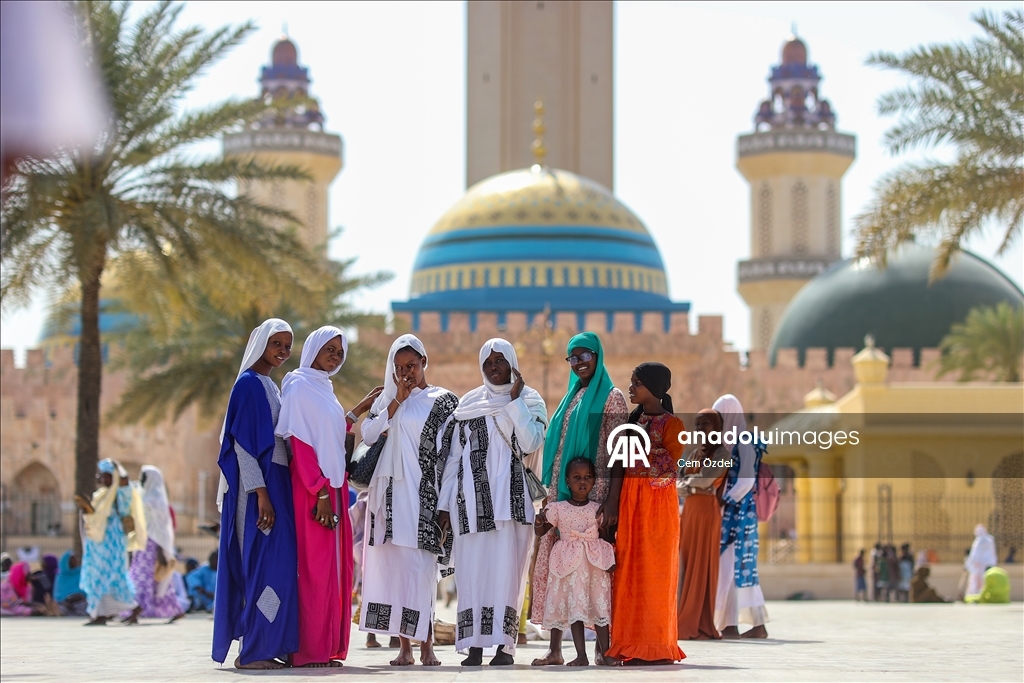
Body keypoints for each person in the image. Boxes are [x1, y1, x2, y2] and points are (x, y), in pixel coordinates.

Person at [438, 338, 548, 666]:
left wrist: (514, 403)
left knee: (509, 575)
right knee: (473, 575)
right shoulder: (469, 404)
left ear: (512, 363)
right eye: (488, 362)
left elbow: (531, 442)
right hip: (472, 506)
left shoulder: (530, 400)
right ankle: (473, 646)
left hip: (514, 507)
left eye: (501, 361)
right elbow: (454, 461)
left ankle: (505, 647)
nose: (494, 367)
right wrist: (444, 506)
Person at [358, 334, 458, 667]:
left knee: (421, 571)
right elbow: (368, 435)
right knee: (395, 571)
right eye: (399, 368)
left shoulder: (443, 400)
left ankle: (427, 644)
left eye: (411, 366)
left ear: (424, 362)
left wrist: (445, 504)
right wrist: (396, 400)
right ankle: (404, 648)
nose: (406, 373)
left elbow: (453, 456)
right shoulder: (385, 399)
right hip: (387, 502)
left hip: (424, 500)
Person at [277, 326, 371, 668]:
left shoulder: (323, 390)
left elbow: (329, 438)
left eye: (340, 351)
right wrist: (318, 491)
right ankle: (307, 651)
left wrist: (355, 412)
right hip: (312, 490)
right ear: (314, 348)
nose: (335, 355)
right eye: (329, 348)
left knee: (336, 569)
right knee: (314, 571)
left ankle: (328, 647)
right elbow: (300, 444)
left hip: (331, 489)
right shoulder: (300, 386)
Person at [531, 332, 627, 667]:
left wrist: (611, 501)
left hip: (594, 497)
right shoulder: (572, 396)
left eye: (583, 355)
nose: (578, 363)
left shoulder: (611, 398)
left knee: (593, 575)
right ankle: (556, 648)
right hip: (564, 496)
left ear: (597, 355)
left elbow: (618, 452)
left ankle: (602, 648)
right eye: (572, 358)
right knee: (559, 570)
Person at [213, 318, 299, 670]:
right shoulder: (248, 384)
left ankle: (265, 644)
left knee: (276, 567)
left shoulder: (271, 386)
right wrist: (260, 492)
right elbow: (242, 446)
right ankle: (251, 653)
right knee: (258, 566)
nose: (282, 351)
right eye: (276, 343)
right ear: (261, 342)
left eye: (287, 345)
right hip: (256, 492)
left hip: (276, 485)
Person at [606, 363, 685, 665]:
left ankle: (656, 646)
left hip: (657, 507)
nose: (631, 388)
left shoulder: (673, 424)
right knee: (630, 572)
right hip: (630, 503)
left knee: (655, 574)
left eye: (636, 383)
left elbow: (669, 470)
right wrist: (612, 502)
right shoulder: (631, 421)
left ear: (654, 387)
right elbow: (618, 465)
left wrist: (641, 446)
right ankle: (630, 643)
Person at [535, 457, 615, 667]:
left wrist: (609, 558)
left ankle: (605, 652)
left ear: (595, 480)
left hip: (593, 565)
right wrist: (538, 521)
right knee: (575, 608)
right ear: (567, 481)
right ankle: (581, 655)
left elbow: (606, 537)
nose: (582, 482)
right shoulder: (557, 508)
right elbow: (541, 532)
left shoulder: (598, 508)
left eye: (588, 477)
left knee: (600, 608)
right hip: (567, 565)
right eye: (577, 477)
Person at [712, 394, 768, 639]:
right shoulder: (727, 442)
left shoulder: (744, 442)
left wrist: (725, 500)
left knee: (734, 568)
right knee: (736, 569)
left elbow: (746, 480)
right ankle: (747, 625)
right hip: (730, 514)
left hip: (739, 515)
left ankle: (733, 624)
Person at [677, 408, 729, 641]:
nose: (700, 429)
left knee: (702, 563)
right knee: (687, 563)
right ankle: (684, 617)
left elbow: (708, 478)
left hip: (707, 513)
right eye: (697, 425)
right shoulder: (693, 453)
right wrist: (693, 485)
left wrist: (691, 484)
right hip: (689, 512)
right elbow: (678, 482)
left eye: (705, 424)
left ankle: (699, 622)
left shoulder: (722, 453)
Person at [76, 458, 145, 625]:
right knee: (97, 575)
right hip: (97, 543)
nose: (104, 479)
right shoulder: (100, 494)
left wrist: (119, 474)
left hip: (113, 542)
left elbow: (126, 492)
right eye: (102, 475)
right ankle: (100, 614)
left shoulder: (120, 493)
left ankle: (130, 608)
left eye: (108, 476)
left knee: (111, 575)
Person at [128, 465, 184, 622]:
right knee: (144, 577)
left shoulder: (156, 500)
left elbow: (161, 527)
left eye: (143, 477)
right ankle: (175, 610)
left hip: (153, 544)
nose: (140, 480)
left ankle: (135, 612)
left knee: (145, 577)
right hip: (142, 542)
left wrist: (161, 549)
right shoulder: (143, 495)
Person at [965, 524, 998, 597]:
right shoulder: (990, 539)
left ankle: (977, 595)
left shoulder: (979, 541)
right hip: (989, 564)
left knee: (978, 581)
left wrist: (967, 564)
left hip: (980, 565)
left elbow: (974, 554)